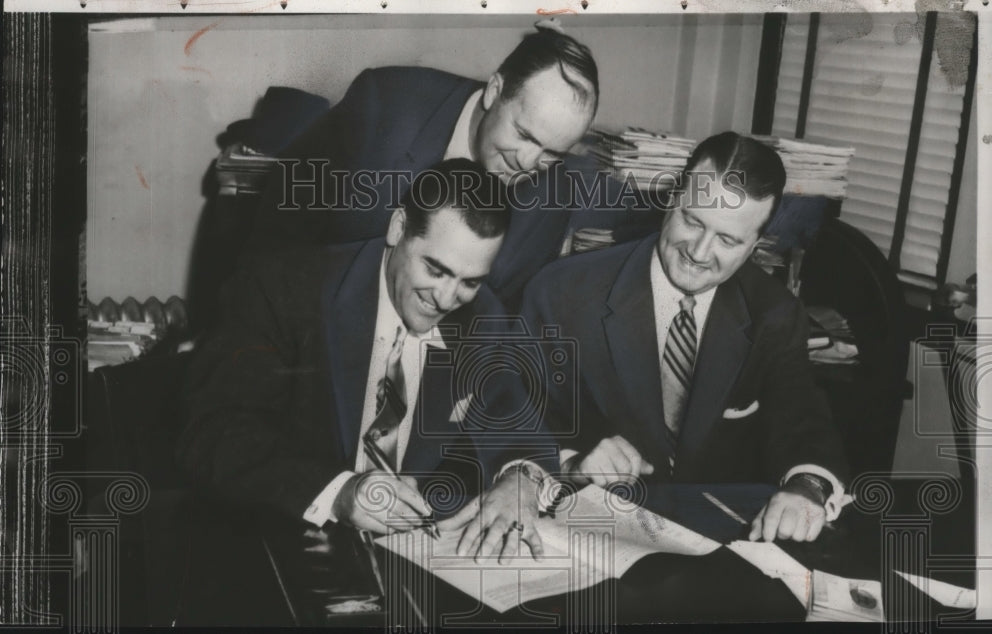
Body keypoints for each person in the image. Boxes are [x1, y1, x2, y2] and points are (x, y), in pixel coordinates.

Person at [179, 159, 556, 563]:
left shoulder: (482, 318)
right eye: (435, 269)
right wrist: (339, 492)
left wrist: (522, 480)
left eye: (470, 281)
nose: (447, 300)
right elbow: (215, 434)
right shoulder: (285, 288)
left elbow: (521, 430)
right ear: (397, 228)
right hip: (276, 550)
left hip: (408, 565)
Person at [520, 132, 850, 543]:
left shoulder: (774, 312)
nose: (699, 251)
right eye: (693, 221)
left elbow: (802, 420)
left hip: (717, 544)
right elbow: (511, 415)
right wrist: (571, 463)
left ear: (754, 245)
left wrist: (807, 487)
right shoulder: (562, 293)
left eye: (728, 240)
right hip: (585, 531)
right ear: (672, 199)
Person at [245, 23, 658, 311]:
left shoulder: (554, 193)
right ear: (494, 91)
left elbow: (500, 313)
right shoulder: (386, 104)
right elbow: (278, 227)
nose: (530, 163)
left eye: (553, 152)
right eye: (525, 135)